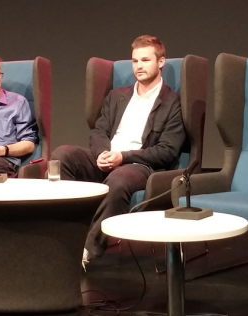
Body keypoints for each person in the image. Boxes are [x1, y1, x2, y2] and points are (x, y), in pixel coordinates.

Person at [49, 35, 185, 268]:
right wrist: (103, 153)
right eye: (134, 61)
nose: (139, 66)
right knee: (62, 155)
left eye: (145, 60)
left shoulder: (172, 102)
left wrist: (123, 157)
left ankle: (87, 250)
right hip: (108, 156)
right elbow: (98, 131)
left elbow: (167, 151)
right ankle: (60, 235)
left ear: (161, 62)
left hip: (140, 165)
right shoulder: (117, 96)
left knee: (120, 178)